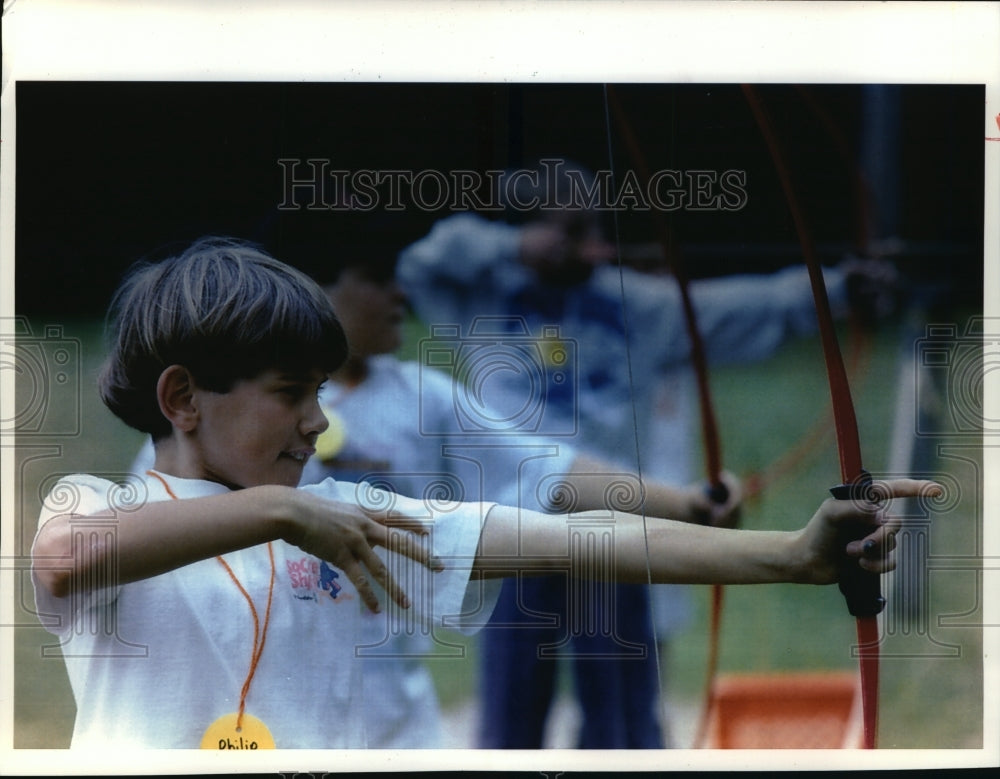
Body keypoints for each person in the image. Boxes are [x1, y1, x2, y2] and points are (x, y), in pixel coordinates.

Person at [30, 236, 933, 750]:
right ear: (183, 398)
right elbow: (66, 558)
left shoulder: (348, 516)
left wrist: (789, 554)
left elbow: (578, 537)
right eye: (289, 394)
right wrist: (285, 510)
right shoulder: (88, 503)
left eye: (320, 392)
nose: (316, 422)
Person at [395, 159, 895, 748]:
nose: (591, 246)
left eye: (593, 228)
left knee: (623, 716)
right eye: (570, 230)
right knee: (510, 708)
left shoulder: (636, 303)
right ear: (527, 230)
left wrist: (837, 290)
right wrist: (517, 247)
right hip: (510, 523)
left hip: (611, 521)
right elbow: (418, 264)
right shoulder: (476, 292)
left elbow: (736, 308)